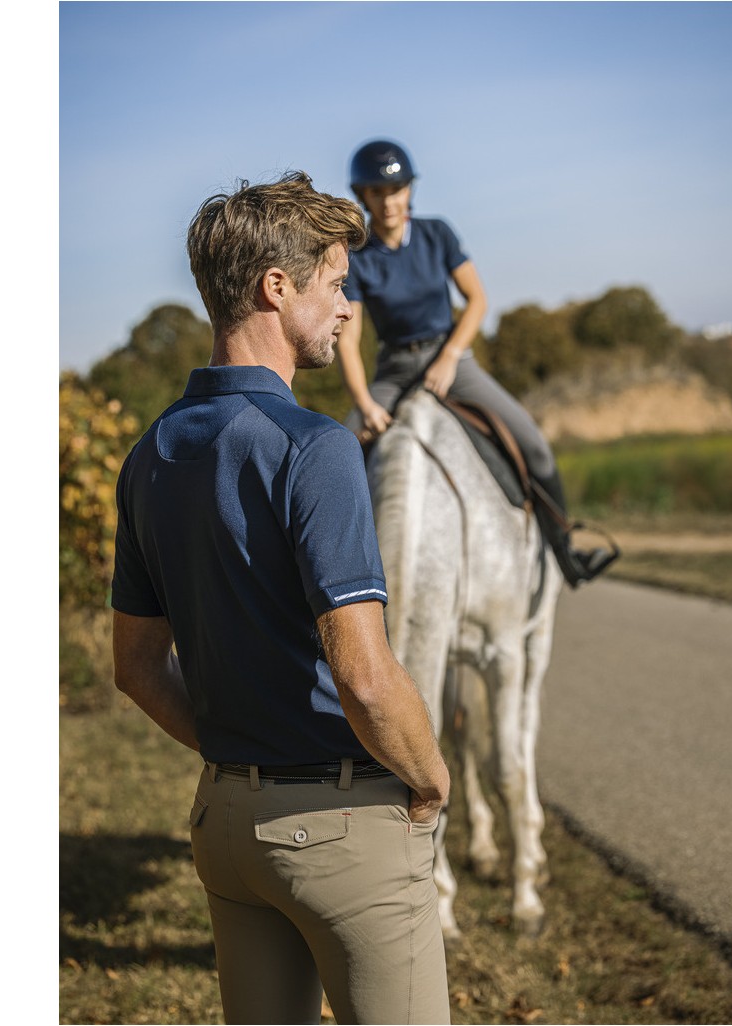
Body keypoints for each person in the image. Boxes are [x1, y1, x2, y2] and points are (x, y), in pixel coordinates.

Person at [110, 171, 451, 1025]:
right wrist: (430, 777)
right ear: (276, 287)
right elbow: (366, 679)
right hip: (340, 834)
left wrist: (239, 759)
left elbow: (137, 669)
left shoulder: (148, 456)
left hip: (225, 826)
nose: (347, 309)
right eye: (335, 285)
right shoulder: (314, 448)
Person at [336, 138, 616, 588]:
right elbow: (348, 341)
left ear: (410, 190)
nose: (389, 201)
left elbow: (478, 300)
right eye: (377, 192)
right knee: (337, 456)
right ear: (363, 196)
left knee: (533, 442)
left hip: (453, 360)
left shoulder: (437, 234)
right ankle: (321, 589)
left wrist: (449, 357)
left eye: (397, 190)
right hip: (394, 370)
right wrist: (365, 403)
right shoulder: (357, 257)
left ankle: (566, 552)